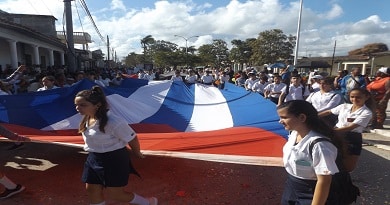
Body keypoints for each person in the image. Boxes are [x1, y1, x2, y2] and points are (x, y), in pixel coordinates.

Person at [74, 86, 158, 205]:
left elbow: (132, 138)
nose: (78, 108)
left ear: (97, 105)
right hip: (93, 158)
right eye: (76, 105)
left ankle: (147, 202)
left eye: (83, 105)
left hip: (114, 159)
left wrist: (137, 152)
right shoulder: (87, 118)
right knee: (92, 190)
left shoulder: (113, 121)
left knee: (116, 194)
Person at [277, 100, 339, 205]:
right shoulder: (294, 134)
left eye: (284, 117)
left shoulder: (320, 145)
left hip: (311, 192)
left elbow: (324, 181)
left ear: (302, 118)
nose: (280, 121)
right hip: (291, 186)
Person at [319, 88, 373, 172]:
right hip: (336, 134)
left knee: (348, 167)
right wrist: (314, 116)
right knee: (331, 161)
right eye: (352, 97)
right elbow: (329, 112)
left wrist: (330, 132)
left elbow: (351, 127)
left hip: (352, 137)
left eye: (358, 97)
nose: (354, 99)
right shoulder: (344, 106)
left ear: (366, 97)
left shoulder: (366, 113)